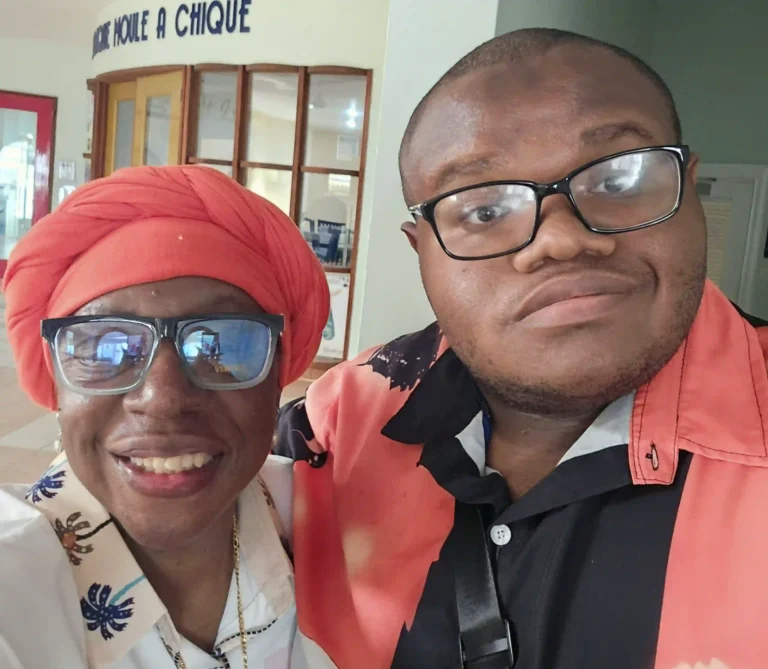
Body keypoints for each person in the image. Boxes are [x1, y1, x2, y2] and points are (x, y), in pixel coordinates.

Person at [276, 28, 768, 669]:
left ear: (688, 189)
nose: (560, 240)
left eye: (619, 178)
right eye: (483, 211)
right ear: (421, 252)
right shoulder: (332, 425)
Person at [0, 166, 336, 668]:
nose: (163, 400)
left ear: (278, 376)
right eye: (107, 346)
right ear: (56, 379)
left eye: (221, 345)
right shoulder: (14, 579)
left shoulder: (337, 524)